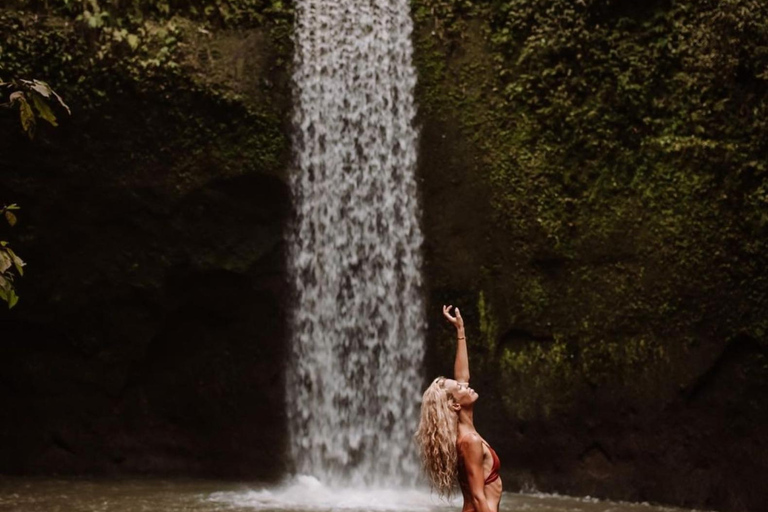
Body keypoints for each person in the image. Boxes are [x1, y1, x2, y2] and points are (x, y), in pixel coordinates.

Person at [416, 305, 502, 512]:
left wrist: (460, 331)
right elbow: (478, 498)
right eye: (460, 388)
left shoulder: (464, 434)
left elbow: (463, 375)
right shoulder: (469, 441)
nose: (466, 385)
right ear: (455, 405)